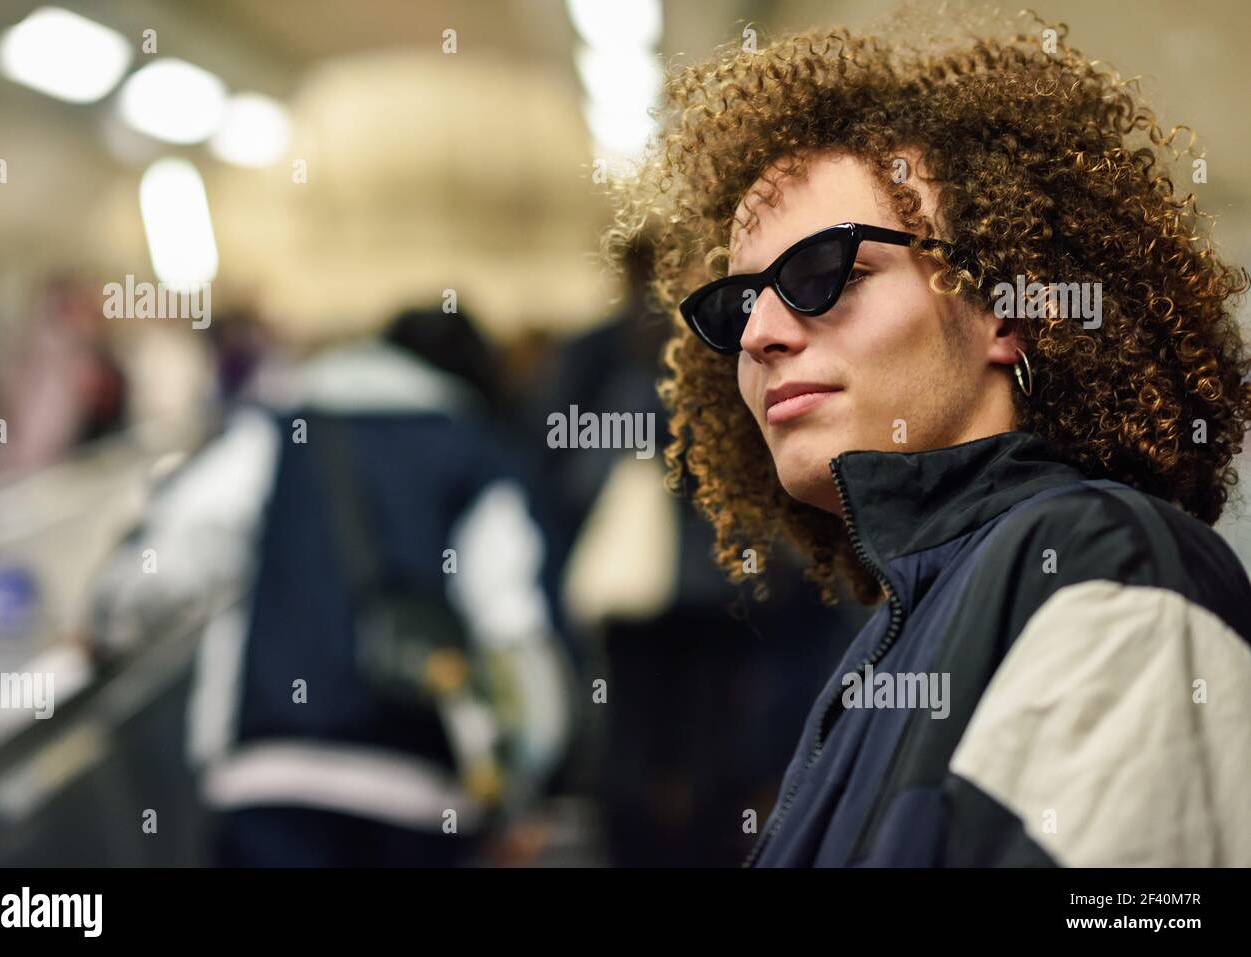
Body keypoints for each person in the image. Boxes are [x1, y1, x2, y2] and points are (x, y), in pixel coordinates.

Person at [603, 12, 1251, 866]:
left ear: (1008, 309)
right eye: (737, 303)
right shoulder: (885, 638)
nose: (760, 332)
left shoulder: (1105, 558)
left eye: (824, 273)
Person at [87, 309, 573, 866]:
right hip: (419, 801)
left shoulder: (277, 433)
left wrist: (105, 622)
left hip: (271, 785)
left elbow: (178, 547)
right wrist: (521, 793)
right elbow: (513, 628)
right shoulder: (477, 457)